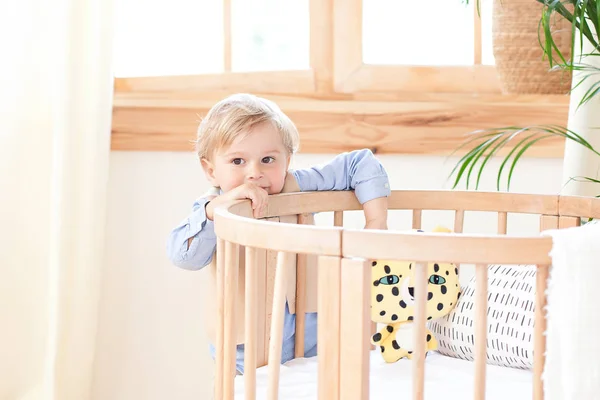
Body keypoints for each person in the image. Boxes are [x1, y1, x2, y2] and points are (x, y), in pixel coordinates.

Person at [166, 93, 390, 374]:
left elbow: (361, 163)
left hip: (310, 338)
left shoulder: (298, 185)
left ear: (287, 161)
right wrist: (215, 209)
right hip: (242, 347)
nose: (254, 173)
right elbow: (183, 256)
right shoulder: (212, 209)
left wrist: (376, 224)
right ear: (210, 170)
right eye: (237, 161)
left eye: (268, 159)